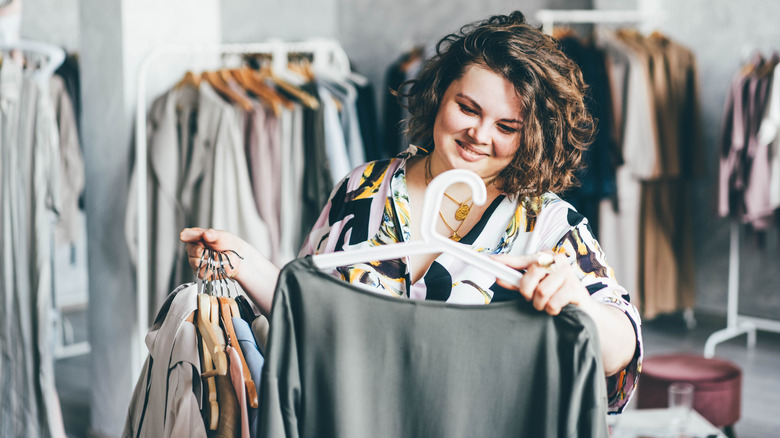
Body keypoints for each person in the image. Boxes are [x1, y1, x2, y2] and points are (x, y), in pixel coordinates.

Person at [181, 11, 642, 413]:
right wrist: (245, 264)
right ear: (441, 94)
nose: (479, 134)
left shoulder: (549, 227)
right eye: (468, 108)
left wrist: (580, 304)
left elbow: (622, 354)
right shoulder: (361, 189)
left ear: (534, 136)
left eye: (506, 126)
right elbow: (307, 311)